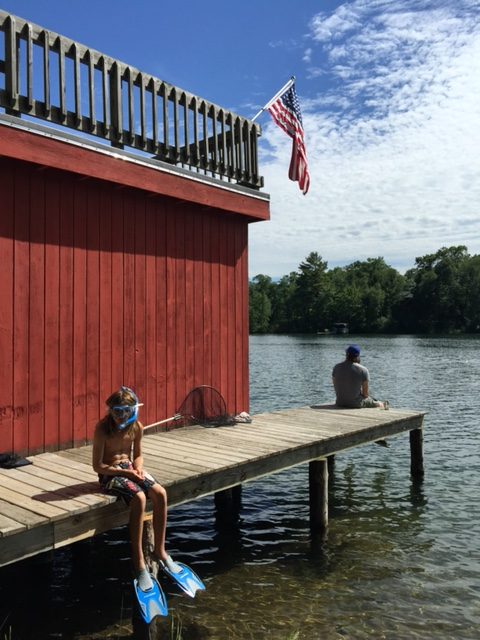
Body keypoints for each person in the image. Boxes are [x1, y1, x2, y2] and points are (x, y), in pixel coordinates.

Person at [92, 386, 181, 592]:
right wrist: (126, 474)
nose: (120, 416)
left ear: (133, 410)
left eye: (125, 411)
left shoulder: (137, 427)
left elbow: (138, 455)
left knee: (160, 493)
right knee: (139, 498)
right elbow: (97, 466)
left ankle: (160, 550)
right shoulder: (102, 429)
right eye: (116, 411)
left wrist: (137, 469)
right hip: (110, 474)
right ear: (110, 410)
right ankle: (139, 560)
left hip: (130, 469)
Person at [332, 345, 388, 409]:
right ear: (357, 356)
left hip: (340, 402)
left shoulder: (336, 367)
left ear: (346, 355)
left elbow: (335, 385)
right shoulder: (363, 370)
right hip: (356, 404)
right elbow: (365, 394)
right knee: (378, 403)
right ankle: (383, 404)